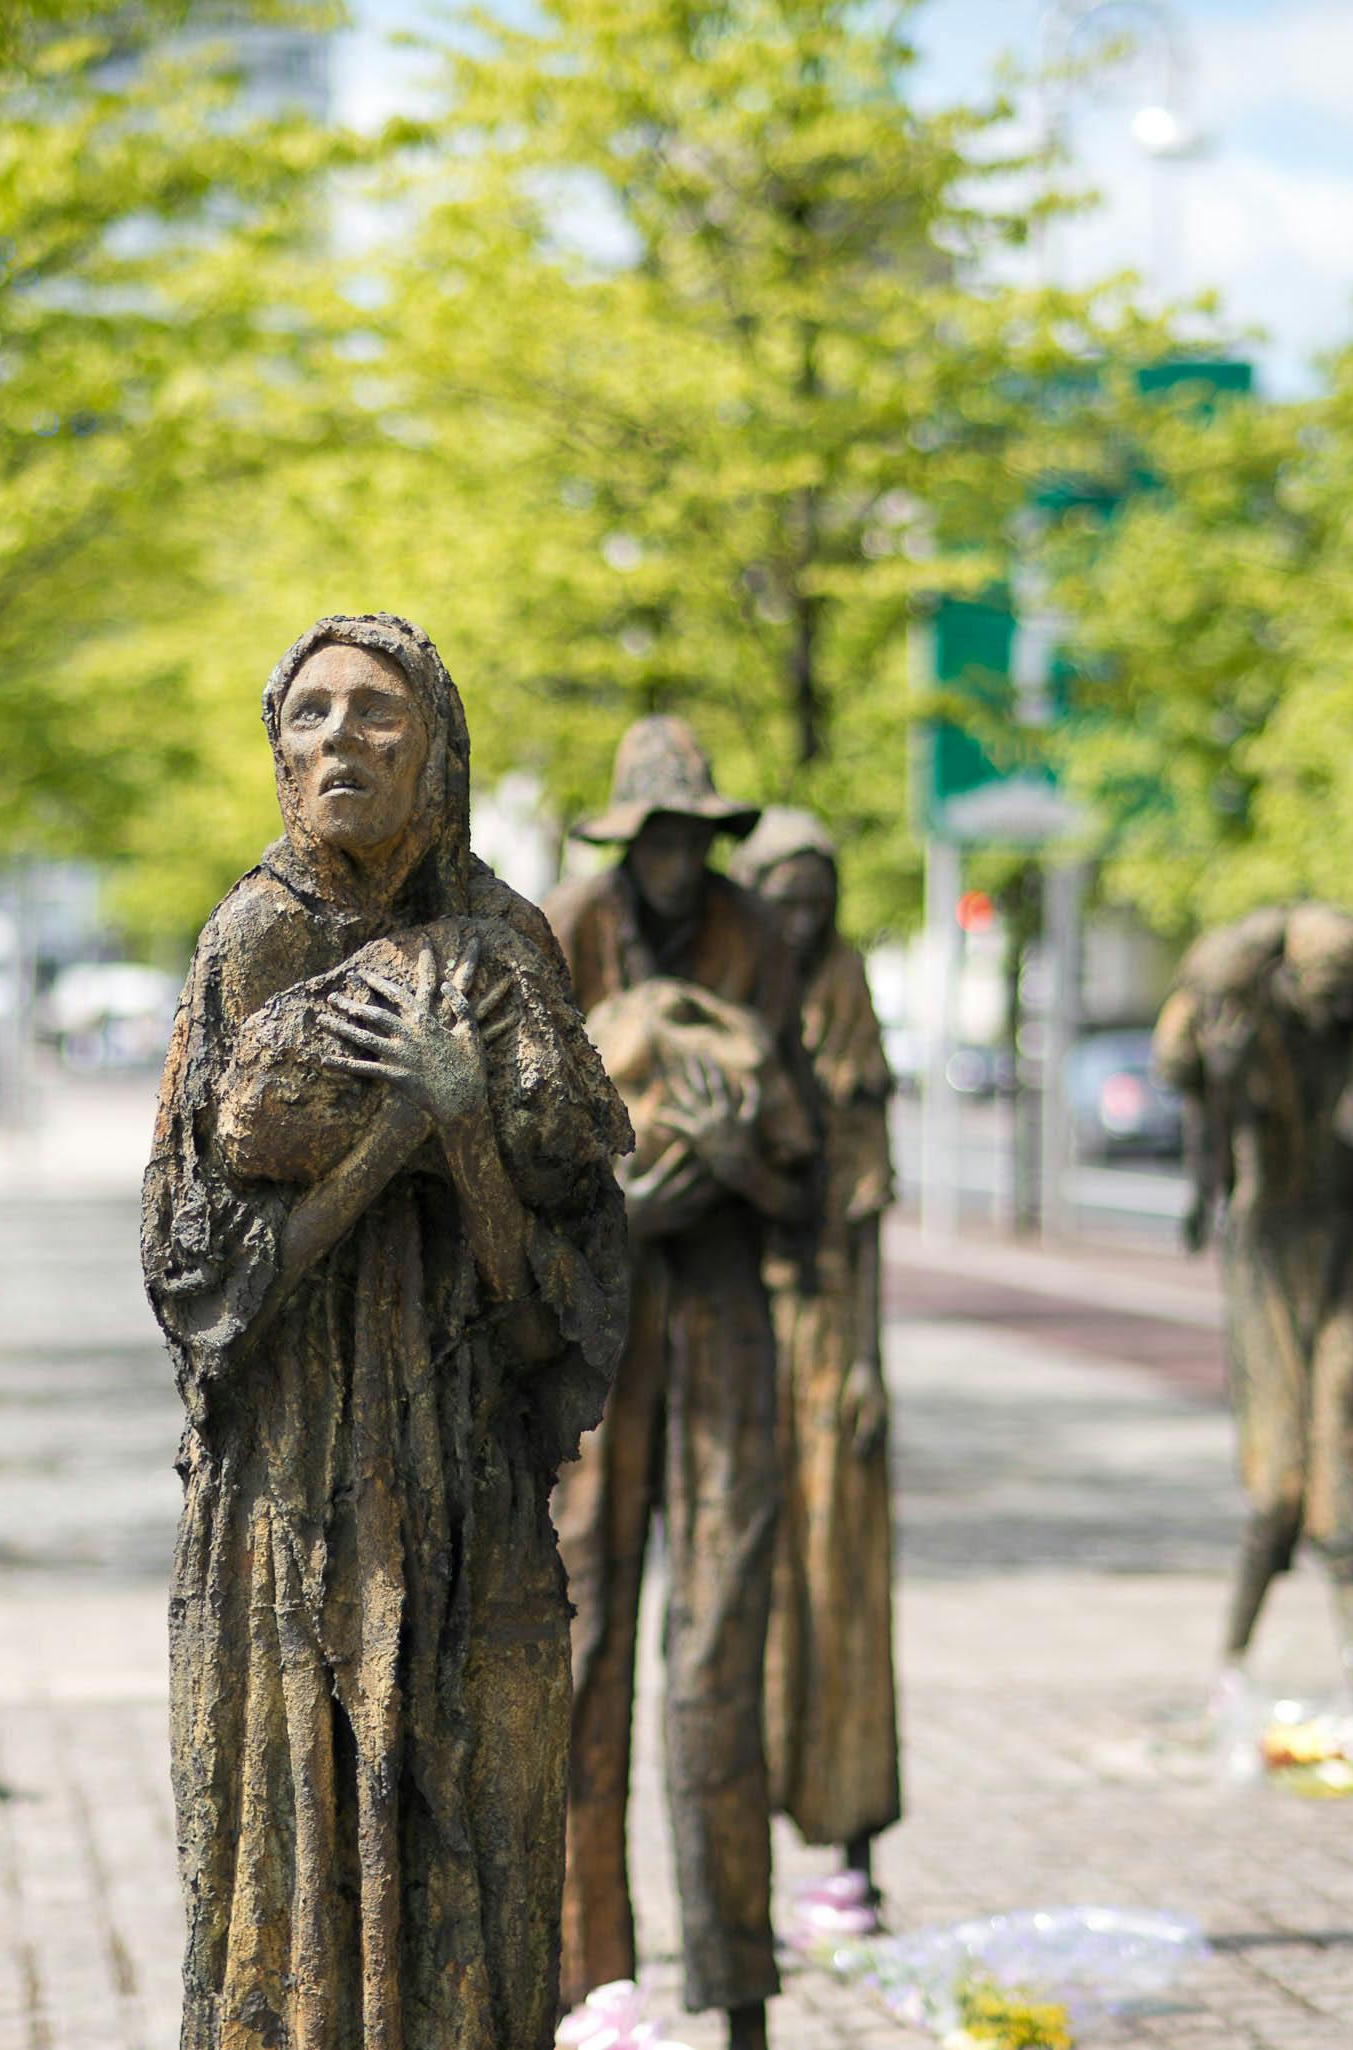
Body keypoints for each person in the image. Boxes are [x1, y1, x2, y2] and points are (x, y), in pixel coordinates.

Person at [144, 614, 632, 2050]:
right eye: (310, 714)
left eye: (378, 712)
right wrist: (385, 1143)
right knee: (286, 1862)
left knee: (477, 1847)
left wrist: (468, 1129)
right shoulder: (250, 941)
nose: (340, 739)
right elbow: (205, 1283)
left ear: (438, 748)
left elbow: (561, 1289)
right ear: (278, 749)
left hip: (467, 1478)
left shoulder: (506, 939)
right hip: (293, 1495)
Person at [547, 717, 818, 2050]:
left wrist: (738, 1161)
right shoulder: (565, 929)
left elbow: (806, 1176)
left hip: (723, 1333)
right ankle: (585, 1974)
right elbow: (521, 1157)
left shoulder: (759, 939)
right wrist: (621, 1210)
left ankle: (738, 1984)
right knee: (582, 1634)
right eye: (650, 833)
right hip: (602, 1341)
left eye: (689, 835)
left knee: (717, 1647)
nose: (670, 857)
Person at [1151, 902, 1353, 1720]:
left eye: (1343, 990)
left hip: (1341, 1262)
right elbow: (1187, 1077)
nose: (1331, 1005)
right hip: (1267, 1259)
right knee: (1278, 1483)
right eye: (1318, 988)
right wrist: (1207, 1183)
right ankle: (1233, 1663)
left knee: (1349, 1464)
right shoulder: (1247, 1035)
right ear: (1289, 981)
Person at [731, 808, 901, 1894]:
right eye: (782, 898)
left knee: (843, 1570)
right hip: (733, 1321)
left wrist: (872, 1357)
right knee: (742, 1583)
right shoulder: (725, 987)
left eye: (818, 899)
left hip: (829, 1321)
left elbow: (866, 1202)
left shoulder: (844, 996)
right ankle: (741, 1856)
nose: (802, 920)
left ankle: (850, 1850)